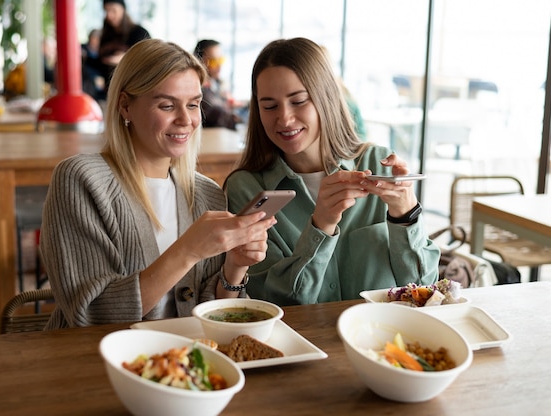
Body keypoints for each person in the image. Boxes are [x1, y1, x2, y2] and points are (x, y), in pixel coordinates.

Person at [39, 39, 276, 329]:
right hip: (99, 361)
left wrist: (235, 267)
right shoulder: (81, 180)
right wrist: (188, 250)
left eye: (193, 105)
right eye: (167, 105)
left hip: (181, 362)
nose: (186, 120)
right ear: (125, 106)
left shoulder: (206, 194)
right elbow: (90, 315)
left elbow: (209, 315)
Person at [224, 37, 440, 306]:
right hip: (304, 344)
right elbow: (276, 303)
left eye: (299, 101)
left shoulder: (376, 162)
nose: (285, 118)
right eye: (269, 106)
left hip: (383, 340)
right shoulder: (246, 189)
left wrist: (406, 216)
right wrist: (321, 225)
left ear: (326, 98)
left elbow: (424, 288)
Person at [96, 0, 151, 99]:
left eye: (113, 10)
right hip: (110, 92)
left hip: (136, 92)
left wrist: (126, 59)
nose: (109, 15)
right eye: (106, 11)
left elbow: (150, 61)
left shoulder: (139, 33)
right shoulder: (106, 36)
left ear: (123, 10)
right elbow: (100, 63)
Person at [194, 39, 244, 130]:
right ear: (199, 61)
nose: (219, 66)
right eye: (214, 61)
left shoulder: (218, 84)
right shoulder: (196, 90)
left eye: (220, 60)